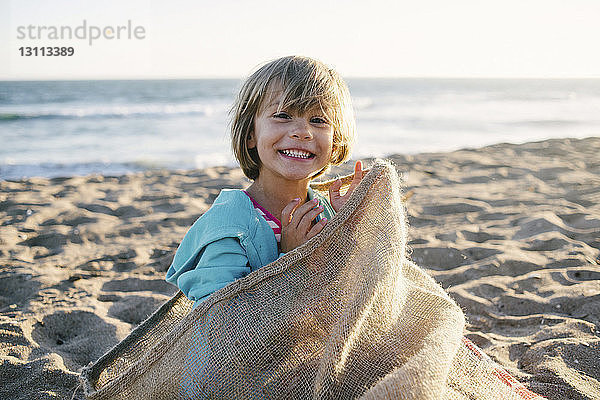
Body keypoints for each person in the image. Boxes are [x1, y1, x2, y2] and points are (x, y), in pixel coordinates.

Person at [165, 55, 365, 308]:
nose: (302, 131)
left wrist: (350, 222)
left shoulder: (326, 212)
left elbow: (349, 292)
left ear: (335, 139)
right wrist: (291, 260)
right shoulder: (230, 226)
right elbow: (218, 322)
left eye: (318, 120)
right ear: (251, 135)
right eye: (283, 115)